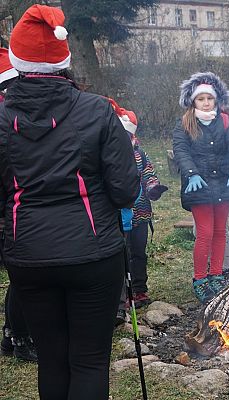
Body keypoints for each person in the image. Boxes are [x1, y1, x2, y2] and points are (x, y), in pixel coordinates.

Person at [0, 5, 140, 400]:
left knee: (53, 359)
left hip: (28, 255)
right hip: (92, 254)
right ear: (63, 61)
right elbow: (126, 190)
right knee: (90, 360)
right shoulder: (98, 110)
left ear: (17, 61)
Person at [173, 72, 229, 304]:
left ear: (216, 100)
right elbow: (181, 151)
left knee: (220, 232)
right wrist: (191, 173)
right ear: (193, 101)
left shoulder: (224, 121)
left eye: (209, 98)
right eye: (201, 99)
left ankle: (216, 275)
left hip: (223, 184)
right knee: (204, 232)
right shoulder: (185, 123)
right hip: (199, 186)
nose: (205, 102)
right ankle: (200, 278)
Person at [109, 100, 168, 309]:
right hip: (117, 215)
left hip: (141, 212)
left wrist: (153, 188)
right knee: (120, 254)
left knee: (138, 252)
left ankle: (140, 288)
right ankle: (122, 296)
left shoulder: (139, 154)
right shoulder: (109, 155)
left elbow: (149, 174)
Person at [0, 47, 37, 362]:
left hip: (17, 206)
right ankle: (19, 336)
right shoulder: (8, 115)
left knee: (21, 278)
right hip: (11, 209)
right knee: (23, 279)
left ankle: (12, 335)